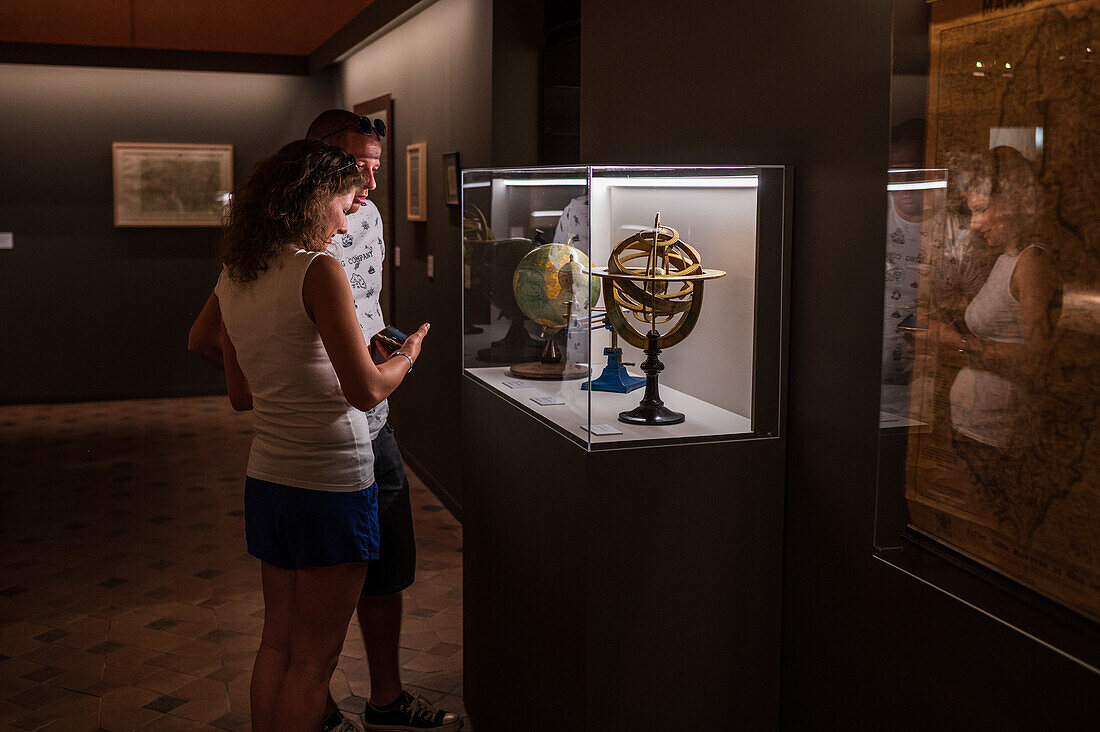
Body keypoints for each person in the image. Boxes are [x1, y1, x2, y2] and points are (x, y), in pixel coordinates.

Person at [189, 110, 461, 732]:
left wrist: (291, 381)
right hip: (334, 473)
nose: (356, 209)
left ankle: (377, 703)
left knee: (277, 645)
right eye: (347, 193)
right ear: (314, 186)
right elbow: (364, 391)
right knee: (314, 661)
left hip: (271, 473)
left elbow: (239, 394)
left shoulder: (242, 268)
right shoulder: (317, 268)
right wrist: (409, 356)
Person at [944, 146, 1064, 539]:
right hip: (978, 434)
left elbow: (1038, 361)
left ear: (1015, 203)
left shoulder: (1033, 262)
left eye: (981, 211)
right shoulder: (1006, 257)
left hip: (999, 442)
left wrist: (958, 344)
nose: (975, 223)